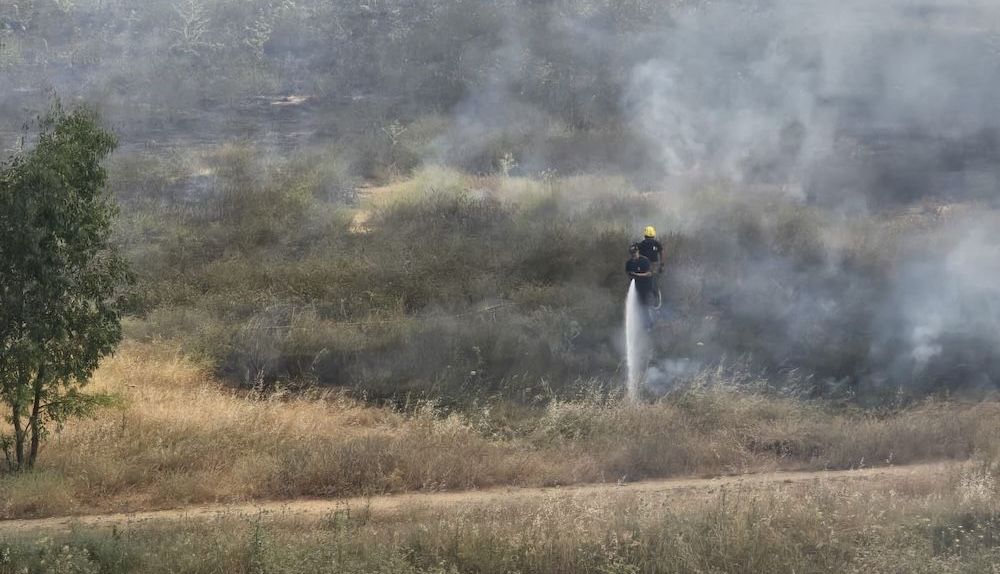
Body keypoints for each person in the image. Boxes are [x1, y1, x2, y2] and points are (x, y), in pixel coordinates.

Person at [636, 226, 664, 308]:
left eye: (649, 238)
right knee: (648, 282)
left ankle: (655, 299)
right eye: (649, 238)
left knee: (652, 282)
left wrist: (661, 265)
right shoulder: (645, 244)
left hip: (651, 266)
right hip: (647, 265)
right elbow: (662, 252)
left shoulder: (654, 244)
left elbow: (661, 252)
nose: (649, 240)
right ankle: (646, 300)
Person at [625, 244, 656, 310]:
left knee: (649, 305)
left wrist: (637, 275)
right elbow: (628, 273)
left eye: (635, 252)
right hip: (637, 288)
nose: (633, 254)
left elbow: (649, 273)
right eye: (632, 253)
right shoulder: (629, 263)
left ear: (638, 251)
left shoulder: (644, 261)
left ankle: (653, 318)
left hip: (647, 287)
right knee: (639, 305)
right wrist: (631, 276)